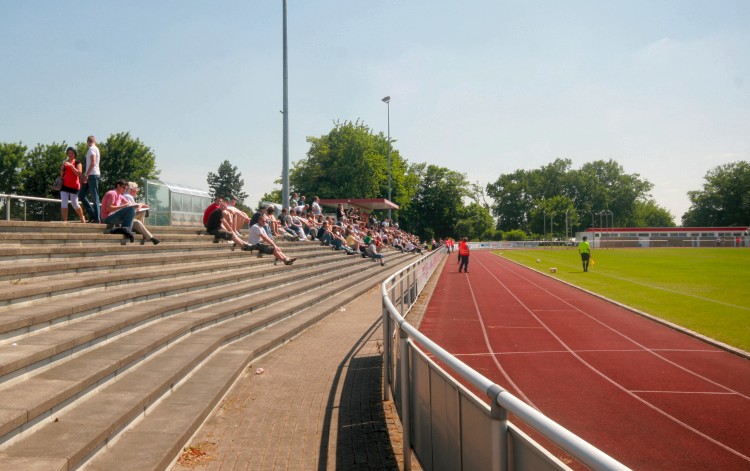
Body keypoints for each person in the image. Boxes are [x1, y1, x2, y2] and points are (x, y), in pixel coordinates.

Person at [59, 147, 87, 223]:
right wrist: (61, 169)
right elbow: (61, 176)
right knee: (64, 203)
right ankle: (65, 220)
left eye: (72, 153)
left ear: (74, 154)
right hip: (64, 185)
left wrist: (71, 166)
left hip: (74, 186)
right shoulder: (65, 162)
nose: (70, 154)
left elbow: (79, 174)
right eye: (69, 153)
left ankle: (81, 217)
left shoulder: (78, 162)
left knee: (74, 203)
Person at [80, 135, 101, 223]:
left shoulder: (92, 149)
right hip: (91, 174)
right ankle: (92, 214)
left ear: (88, 142)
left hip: (92, 175)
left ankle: (97, 218)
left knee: (94, 196)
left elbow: (92, 163)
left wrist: (86, 174)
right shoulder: (95, 148)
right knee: (82, 195)